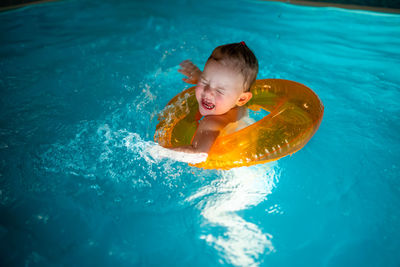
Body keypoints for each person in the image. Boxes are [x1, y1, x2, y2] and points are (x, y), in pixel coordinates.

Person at [170, 41, 259, 156]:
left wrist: (159, 152)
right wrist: (199, 76)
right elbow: (220, 82)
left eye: (219, 90)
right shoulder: (236, 104)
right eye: (204, 81)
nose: (207, 92)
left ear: (242, 99)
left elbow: (199, 155)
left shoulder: (211, 123)